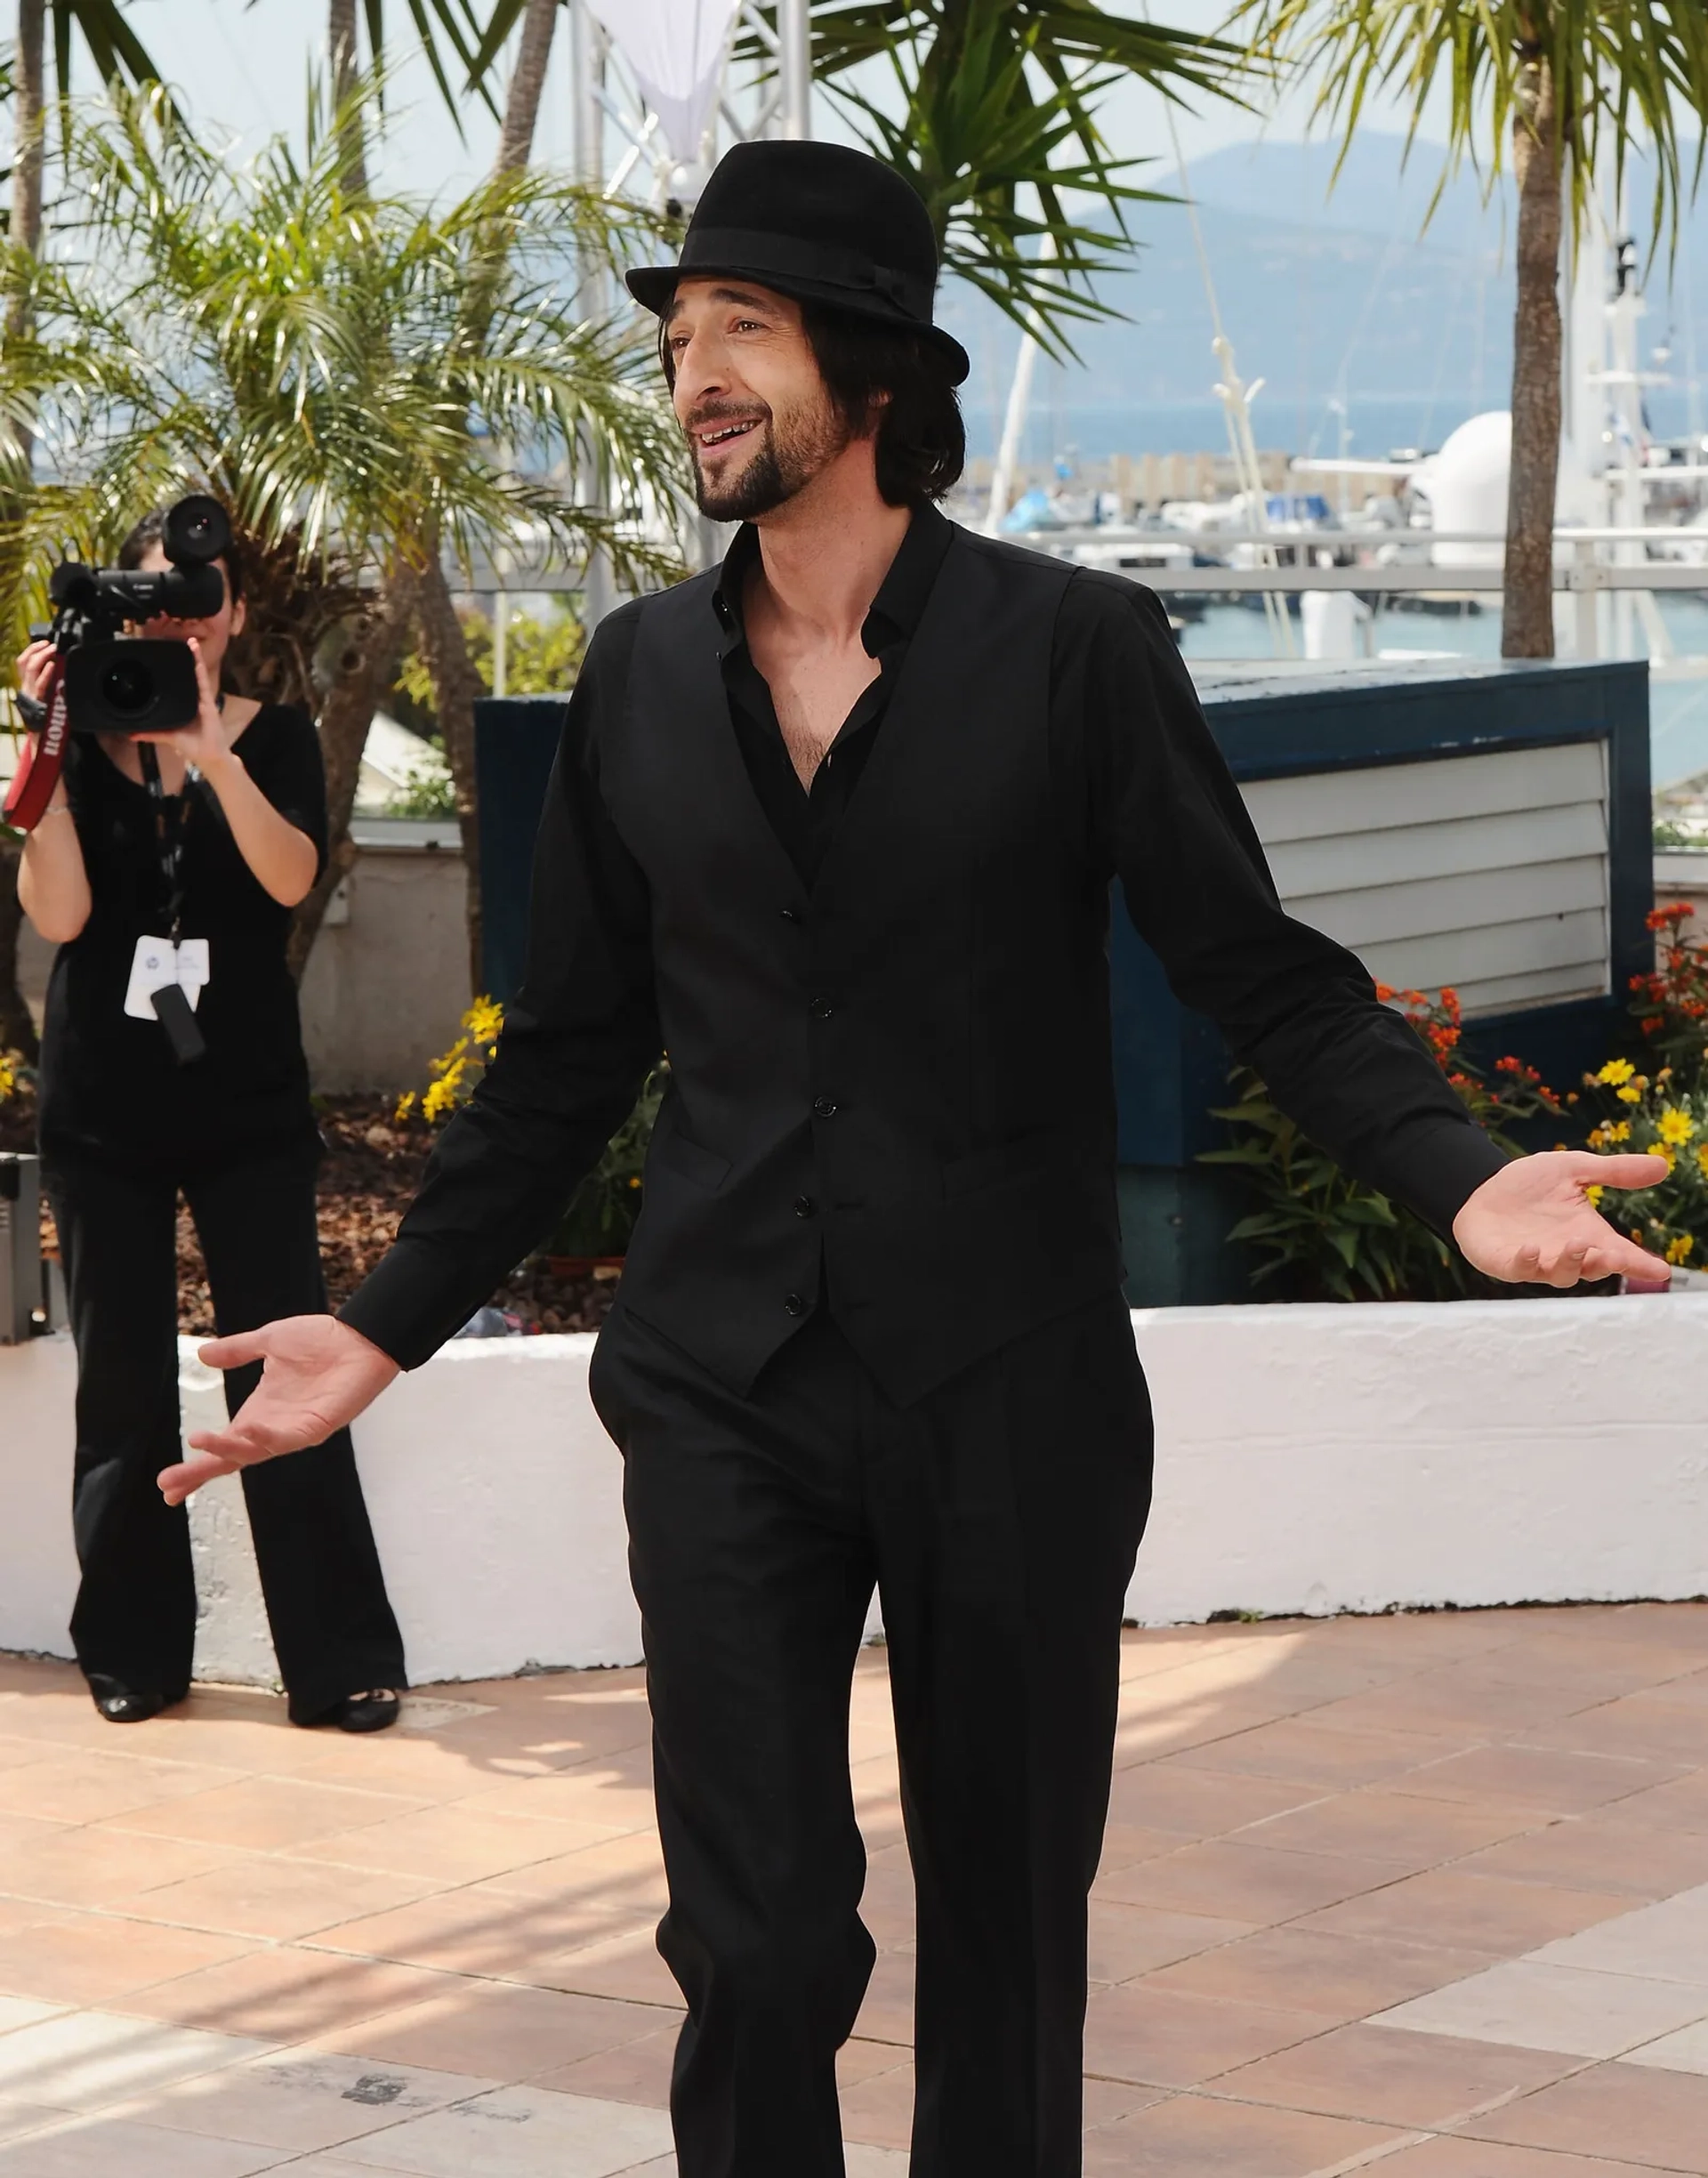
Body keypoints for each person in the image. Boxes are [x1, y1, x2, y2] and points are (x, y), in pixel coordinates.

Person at [159, 143, 1664, 2175]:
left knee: (1008, 1940)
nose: (692, 377)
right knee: (754, 1940)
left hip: (1009, 1389)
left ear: (867, 374)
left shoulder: (1077, 650)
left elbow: (1266, 975)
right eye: (679, 341)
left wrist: (1462, 1174)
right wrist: (387, 1325)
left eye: (740, 334)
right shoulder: (628, 683)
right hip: (717, 1388)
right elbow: (565, 1062)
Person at [17, 508, 407, 1731]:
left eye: (203, 593)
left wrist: (206, 745)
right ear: (124, 611)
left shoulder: (275, 736)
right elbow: (65, 922)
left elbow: (290, 880)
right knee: (120, 1389)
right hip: (103, 1114)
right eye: (155, 597)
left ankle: (338, 1661)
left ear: (236, 613)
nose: (181, 614)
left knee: (291, 1376)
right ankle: (132, 1652)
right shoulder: (79, 736)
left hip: (246, 1108)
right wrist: (47, 747)